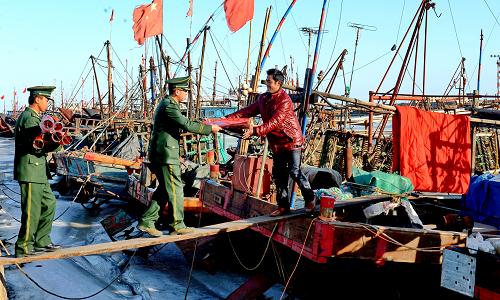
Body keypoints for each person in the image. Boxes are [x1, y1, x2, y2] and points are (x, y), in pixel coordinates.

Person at [138, 76, 222, 236]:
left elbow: (184, 122)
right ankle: (177, 225)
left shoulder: (168, 104)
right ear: (177, 91)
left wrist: (203, 124)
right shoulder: (170, 106)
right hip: (166, 155)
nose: (186, 94)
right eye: (185, 91)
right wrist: (209, 129)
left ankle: (147, 221)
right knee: (176, 188)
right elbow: (186, 124)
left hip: (162, 153)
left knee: (164, 189)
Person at [226, 68, 315, 216]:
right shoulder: (263, 98)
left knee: (294, 170)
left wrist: (254, 131)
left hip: (292, 140)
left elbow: (274, 123)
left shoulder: (285, 101)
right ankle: (283, 206)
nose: (266, 83)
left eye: (269, 81)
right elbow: (247, 112)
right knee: (279, 174)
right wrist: (227, 120)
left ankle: (310, 199)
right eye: (266, 80)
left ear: (278, 83)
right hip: (277, 143)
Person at [14, 86, 61, 257]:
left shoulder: (35, 118)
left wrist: (56, 139)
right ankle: (24, 246)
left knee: (49, 204)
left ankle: (41, 240)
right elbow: (35, 145)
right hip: (30, 171)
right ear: (37, 99)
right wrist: (53, 142)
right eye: (46, 99)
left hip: (38, 172)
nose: (48, 103)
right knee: (31, 211)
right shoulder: (29, 118)